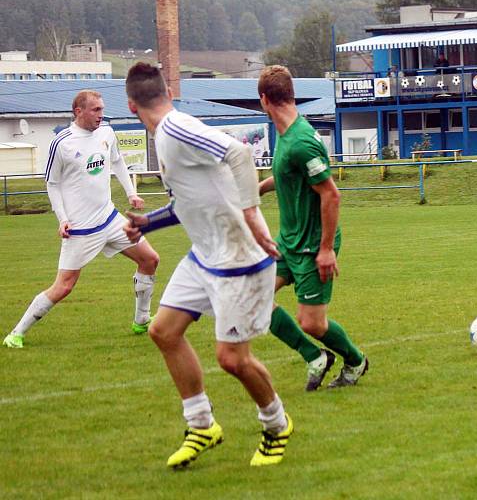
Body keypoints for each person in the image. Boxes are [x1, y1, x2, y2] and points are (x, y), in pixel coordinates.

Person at [123, 63, 292, 468]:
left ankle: (276, 424)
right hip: (205, 254)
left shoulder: (174, 128)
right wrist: (151, 221)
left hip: (240, 257)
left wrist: (251, 213)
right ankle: (201, 425)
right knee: (163, 332)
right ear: (167, 90)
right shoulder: (170, 134)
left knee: (232, 359)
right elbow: (190, 201)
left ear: (131, 106)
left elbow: (239, 152)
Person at [3, 90, 159, 349]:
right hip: (81, 230)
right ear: (79, 111)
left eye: (102, 109)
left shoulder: (107, 133)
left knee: (150, 259)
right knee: (64, 286)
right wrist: (62, 219)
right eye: (96, 110)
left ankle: (141, 320)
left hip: (109, 218)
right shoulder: (62, 142)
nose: (101, 115)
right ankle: (16, 333)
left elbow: (117, 162)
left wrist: (132, 194)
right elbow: (52, 183)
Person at [258, 65, 368, 389]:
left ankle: (356, 360)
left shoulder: (301, 141)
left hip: (312, 246)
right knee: (253, 298)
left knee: (311, 322)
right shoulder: (287, 135)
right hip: (288, 241)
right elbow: (291, 174)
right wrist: (261, 188)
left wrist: (325, 250)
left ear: (264, 100)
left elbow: (331, 195)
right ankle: (315, 357)